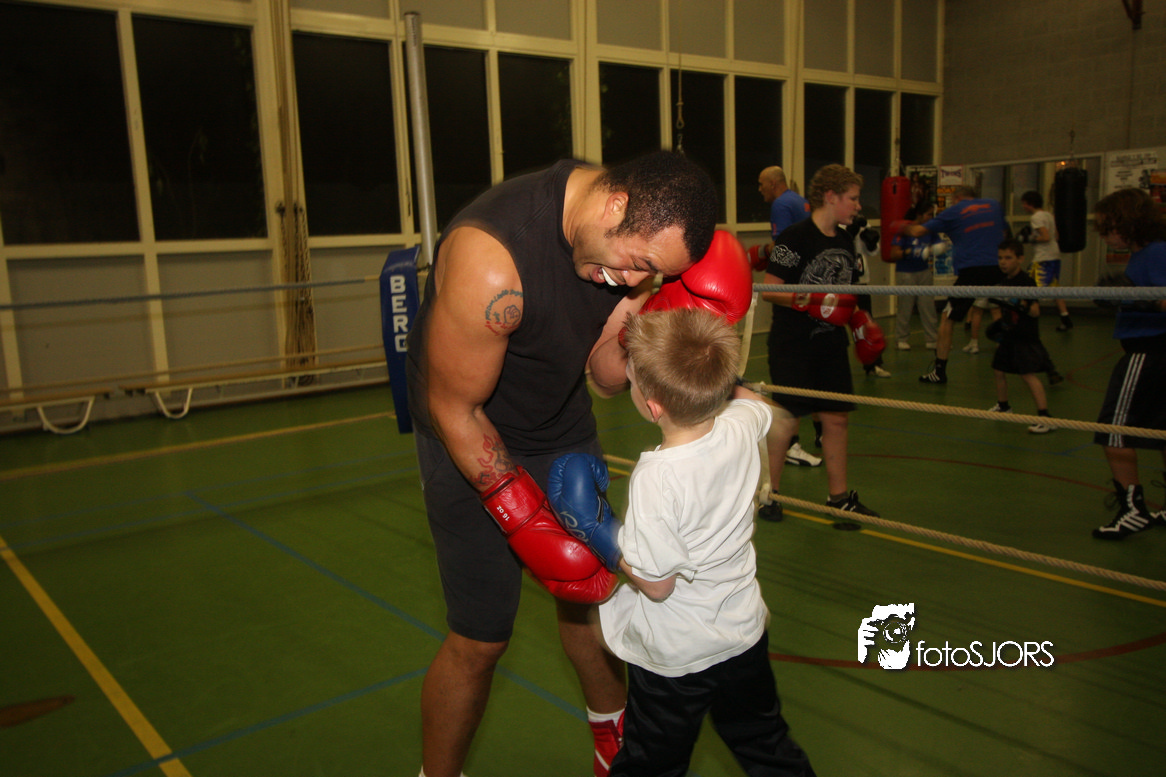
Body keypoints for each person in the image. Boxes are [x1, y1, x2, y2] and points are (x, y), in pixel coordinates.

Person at [404, 151, 749, 777]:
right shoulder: (493, 261)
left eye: (650, 273)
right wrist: (521, 516)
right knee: (481, 637)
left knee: (595, 603)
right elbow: (456, 409)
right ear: (616, 205)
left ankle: (613, 739)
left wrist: (657, 321)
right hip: (466, 436)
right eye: (638, 262)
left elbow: (605, 377)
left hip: (559, 425)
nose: (631, 278)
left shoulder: (625, 254)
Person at [546, 307, 817, 777]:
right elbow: (758, 403)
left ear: (653, 406)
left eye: (633, 381)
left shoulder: (657, 478)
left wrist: (598, 531)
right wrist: (714, 367)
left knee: (652, 763)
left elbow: (658, 584)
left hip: (677, 657)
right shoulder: (741, 425)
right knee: (766, 744)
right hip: (743, 635)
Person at [759, 164, 881, 519]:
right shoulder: (794, 237)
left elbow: (847, 294)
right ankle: (770, 495)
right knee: (786, 420)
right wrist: (810, 300)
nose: (857, 206)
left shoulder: (844, 240)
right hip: (793, 343)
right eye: (852, 198)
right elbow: (770, 289)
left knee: (837, 418)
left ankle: (839, 498)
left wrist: (860, 322)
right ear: (831, 197)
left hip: (831, 344)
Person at [1088, 188, 1166, 539]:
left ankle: (1134, 511)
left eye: (1108, 227)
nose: (1104, 235)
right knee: (1161, 432)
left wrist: (1137, 301)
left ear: (1128, 222)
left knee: (1114, 430)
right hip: (1155, 349)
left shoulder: (1156, 252)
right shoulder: (1144, 255)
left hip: (1148, 352)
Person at [749, 166, 821, 467]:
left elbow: (783, 248)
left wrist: (762, 252)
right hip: (812, 289)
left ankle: (790, 443)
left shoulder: (780, 204)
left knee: (789, 372)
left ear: (773, 183)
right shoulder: (799, 201)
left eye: (761, 184)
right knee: (813, 371)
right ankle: (820, 431)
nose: (759, 189)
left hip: (791, 295)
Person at [907, 185, 1007, 384]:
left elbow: (918, 231)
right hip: (999, 268)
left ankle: (939, 371)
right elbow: (1004, 234)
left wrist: (901, 226)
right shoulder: (994, 205)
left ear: (957, 198)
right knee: (1004, 313)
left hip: (972, 272)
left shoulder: (955, 210)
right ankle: (1011, 362)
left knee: (947, 318)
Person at [985, 239, 1056, 434]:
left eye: (1008, 258)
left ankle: (1045, 417)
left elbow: (1035, 311)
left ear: (1020, 259)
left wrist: (1017, 303)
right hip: (1009, 334)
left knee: (1027, 375)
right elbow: (999, 309)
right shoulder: (1003, 281)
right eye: (1000, 258)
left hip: (1025, 336)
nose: (1003, 262)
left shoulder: (1026, 281)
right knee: (998, 370)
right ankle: (1003, 406)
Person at [1018, 189, 1073, 332]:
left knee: (1028, 287)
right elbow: (1056, 236)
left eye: (1024, 204)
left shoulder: (1036, 217)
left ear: (1030, 203)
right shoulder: (1049, 215)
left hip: (1043, 258)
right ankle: (1065, 318)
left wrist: (1029, 238)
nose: (1023, 207)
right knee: (1055, 289)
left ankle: (1027, 320)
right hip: (1055, 256)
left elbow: (1046, 237)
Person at [890, 202, 941, 351]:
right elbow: (893, 253)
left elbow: (939, 245)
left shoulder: (929, 230)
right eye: (928, 214)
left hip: (924, 271)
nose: (931, 217)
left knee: (928, 307)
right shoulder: (906, 229)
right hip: (906, 273)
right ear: (920, 214)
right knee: (905, 307)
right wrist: (910, 252)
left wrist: (937, 248)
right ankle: (901, 339)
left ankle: (932, 339)